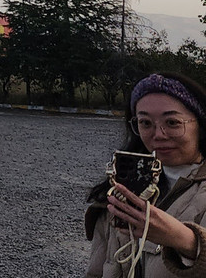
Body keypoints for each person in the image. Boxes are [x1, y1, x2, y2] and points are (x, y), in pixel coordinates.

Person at [86, 72, 206, 277]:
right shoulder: (119, 189)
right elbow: (96, 270)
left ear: (201, 125)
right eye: (146, 123)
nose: (158, 135)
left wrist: (186, 241)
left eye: (173, 123)